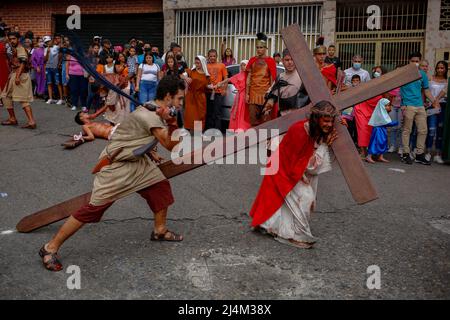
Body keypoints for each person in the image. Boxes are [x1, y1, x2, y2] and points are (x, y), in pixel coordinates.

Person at [39, 76, 186, 272]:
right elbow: (170, 144)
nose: (181, 103)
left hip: (137, 163)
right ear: (168, 96)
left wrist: (151, 151)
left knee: (160, 188)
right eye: (179, 98)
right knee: (93, 209)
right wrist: (173, 123)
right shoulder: (150, 115)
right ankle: (50, 248)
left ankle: (159, 230)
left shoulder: (153, 108)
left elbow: (137, 136)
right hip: (117, 166)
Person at [249, 100, 338, 249]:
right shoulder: (300, 130)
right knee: (304, 198)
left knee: (285, 200)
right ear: (316, 119)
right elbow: (308, 165)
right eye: (326, 121)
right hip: (284, 169)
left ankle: (269, 226)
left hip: (290, 168)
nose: (329, 125)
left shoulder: (314, 128)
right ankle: (295, 234)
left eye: (331, 122)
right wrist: (324, 146)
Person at [400, 52, 439, 165]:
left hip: (420, 106)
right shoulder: (403, 73)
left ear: (420, 61)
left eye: (417, 61)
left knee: (423, 130)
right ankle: (406, 154)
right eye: (413, 61)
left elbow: (426, 90)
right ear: (409, 61)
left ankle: (419, 154)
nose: (415, 63)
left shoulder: (422, 74)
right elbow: (397, 88)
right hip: (408, 105)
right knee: (407, 130)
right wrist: (402, 104)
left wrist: (435, 102)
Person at [0, 31, 36, 129]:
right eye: (10, 39)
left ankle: (31, 122)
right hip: (14, 74)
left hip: (21, 75)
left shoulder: (20, 48)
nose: (12, 41)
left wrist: (16, 77)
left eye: (14, 39)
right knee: (5, 95)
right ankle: (12, 118)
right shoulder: (14, 48)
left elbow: (23, 63)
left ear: (18, 39)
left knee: (23, 99)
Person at [263, 48, 307, 117]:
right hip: (283, 116)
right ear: (282, 61)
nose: (290, 62)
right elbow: (273, 95)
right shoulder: (280, 77)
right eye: (287, 60)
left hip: (299, 116)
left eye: (292, 59)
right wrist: (269, 104)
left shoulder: (303, 76)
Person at [245, 32, 277, 127]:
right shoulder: (252, 60)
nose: (259, 50)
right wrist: (247, 94)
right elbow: (248, 78)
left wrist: (271, 96)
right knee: (253, 121)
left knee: (266, 121)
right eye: (257, 47)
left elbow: (272, 80)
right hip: (253, 94)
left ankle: (265, 141)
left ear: (266, 48)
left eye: (261, 47)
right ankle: (254, 141)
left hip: (265, 95)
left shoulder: (270, 61)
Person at [217, 60, 251, 131]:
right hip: (239, 97)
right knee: (237, 112)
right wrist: (220, 83)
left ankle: (244, 128)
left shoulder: (250, 75)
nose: (243, 67)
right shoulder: (239, 75)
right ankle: (236, 127)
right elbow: (229, 79)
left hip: (246, 97)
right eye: (241, 65)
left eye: (244, 65)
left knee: (245, 113)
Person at [425, 61, 448, 164]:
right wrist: (434, 102)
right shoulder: (430, 79)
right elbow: (426, 92)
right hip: (431, 106)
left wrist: (438, 101)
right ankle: (428, 152)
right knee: (431, 130)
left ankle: (438, 154)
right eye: (438, 68)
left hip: (443, 107)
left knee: (440, 131)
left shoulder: (447, 81)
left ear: (445, 69)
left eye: (442, 68)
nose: (440, 70)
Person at [366, 98, 398, 163]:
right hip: (378, 131)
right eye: (386, 106)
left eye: (388, 105)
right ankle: (369, 156)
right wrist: (397, 122)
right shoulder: (379, 113)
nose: (388, 107)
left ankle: (380, 156)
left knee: (383, 143)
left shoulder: (384, 113)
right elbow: (387, 123)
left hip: (382, 131)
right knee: (375, 143)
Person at [184, 55, 209, 131]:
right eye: (196, 63)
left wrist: (213, 87)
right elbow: (179, 73)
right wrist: (185, 77)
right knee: (190, 114)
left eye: (198, 63)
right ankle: (189, 129)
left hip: (201, 97)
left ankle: (198, 131)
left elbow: (207, 86)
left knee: (200, 114)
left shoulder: (206, 75)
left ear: (202, 63)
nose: (197, 65)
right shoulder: (191, 71)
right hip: (191, 96)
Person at [205, 49, 228, 131]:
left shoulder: (221, 65)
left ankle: (217, 131)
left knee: (217, 113)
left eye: (214, 56)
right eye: (210, 56)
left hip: (218, 93)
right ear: (208, 57)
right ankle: (208, 130)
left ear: (216, 56)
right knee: (208, 113)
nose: (212, 58)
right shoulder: (206, 66)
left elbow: (226, 78)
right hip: (208, 92)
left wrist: (224, 89)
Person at [66, 44, 88, 112]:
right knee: (74, 90)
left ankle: (83, 105)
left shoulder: (83, 55)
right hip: (72, 74)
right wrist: (66, 74)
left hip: (82, 75)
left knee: (83, 90)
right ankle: (74, 104)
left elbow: (87, 64)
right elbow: (67, 64)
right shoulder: (70, 55)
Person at [44, 35, 64, 105]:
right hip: (48, 68)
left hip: (55, 68)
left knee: (58, 83)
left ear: (51, 40)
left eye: (48, 41)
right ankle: (50, 98)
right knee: (49, 83)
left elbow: (61, 53)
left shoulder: (56, 47)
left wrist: (59, 63)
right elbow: (45, 60)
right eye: (46, 42)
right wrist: (48, 52)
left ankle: (61, 99)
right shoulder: (46, 49)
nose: (48, 43)